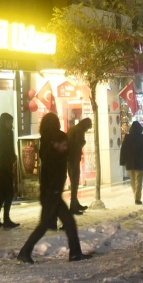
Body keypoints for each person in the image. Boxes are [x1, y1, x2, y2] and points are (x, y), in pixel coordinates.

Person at [17, 112, 88, 263]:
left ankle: (75, 253)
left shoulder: (45, 142)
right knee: (49, 224)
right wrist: (61, 148)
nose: (65, 146)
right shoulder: (54, 140)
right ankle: (25, 251)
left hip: (49, 190)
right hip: (52, 191)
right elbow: (59, 160)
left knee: (64, 222)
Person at [0, 112, 19, 229]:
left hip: (7, 165)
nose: (10, 124)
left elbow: (11, 147)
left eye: (11, 122)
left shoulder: (9, 133)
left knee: (3, 194)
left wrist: (13, 157)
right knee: (8, 193)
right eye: (8, 122)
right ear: (3, 122)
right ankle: (5, 219)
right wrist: (6, 154)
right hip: (2, 166)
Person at [118, 120, 143, 204]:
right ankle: (137, 198)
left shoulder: (127, 137)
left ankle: (136, 196)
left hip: (129, 163)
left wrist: (122, 161)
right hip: (140, 162)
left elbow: (123, 150)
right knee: (139, 181)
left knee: (133, 180)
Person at [66, 116, 93, 213]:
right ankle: (73, 206)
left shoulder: (73, 128)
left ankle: (75, 203)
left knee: (74, 181)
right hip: (73, 158)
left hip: (69, 158)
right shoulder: (79, 130)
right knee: (75, 182)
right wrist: (84, 142)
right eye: (88, 128)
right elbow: (78, 143)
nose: (87, 130)